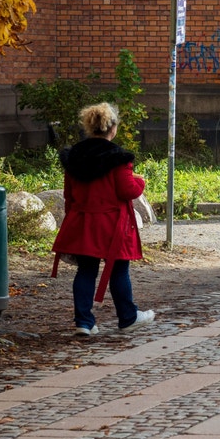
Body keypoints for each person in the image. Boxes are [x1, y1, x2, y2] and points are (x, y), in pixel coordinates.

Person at [51, 102, 154, 336]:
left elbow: (69, 195)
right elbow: (127, 191)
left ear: (89, 127)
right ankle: (128, 317)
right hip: (111, 225)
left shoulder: (74, 157)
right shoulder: (118, 158)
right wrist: (141, 181)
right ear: (113, 128)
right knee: (118, 270)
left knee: (86, 270)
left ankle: (84, 322)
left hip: (83, 221)